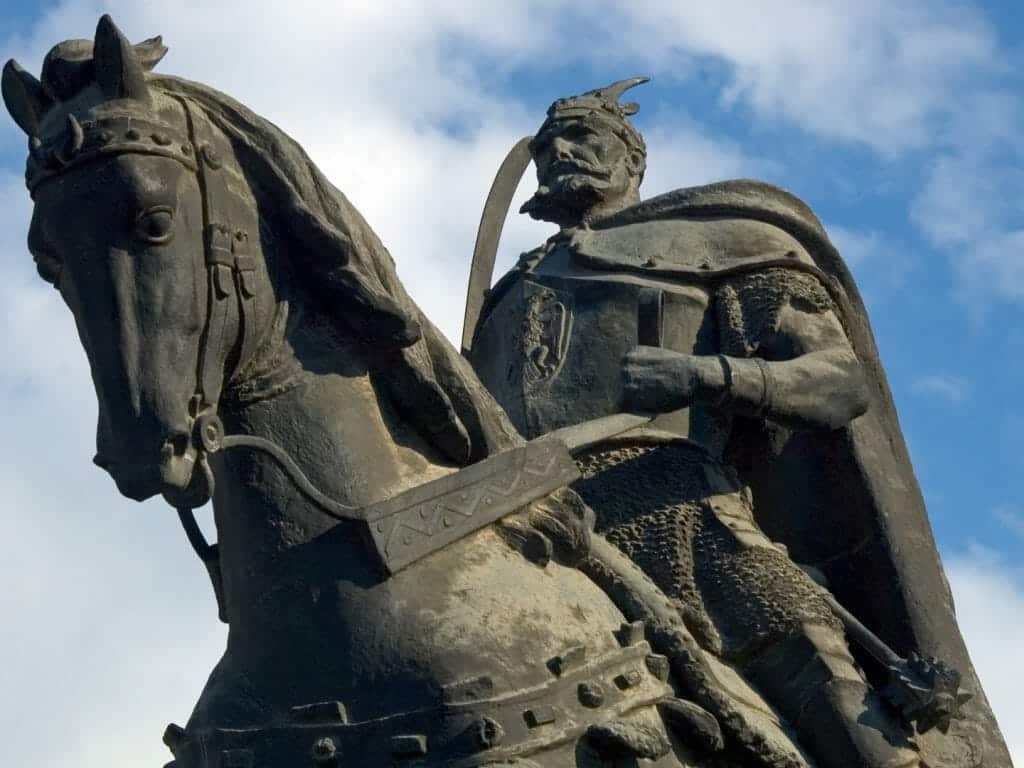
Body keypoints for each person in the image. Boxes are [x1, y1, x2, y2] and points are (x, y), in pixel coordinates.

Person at [468, 79, 1005, 768]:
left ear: (633, 161)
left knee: (818, 670)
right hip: (524, 517)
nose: (559, 154)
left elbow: (839, 382)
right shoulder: (509, 293)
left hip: (672, 507)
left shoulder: (720, 242)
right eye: (546, 146)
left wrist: (704, 375)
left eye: (581, 138)